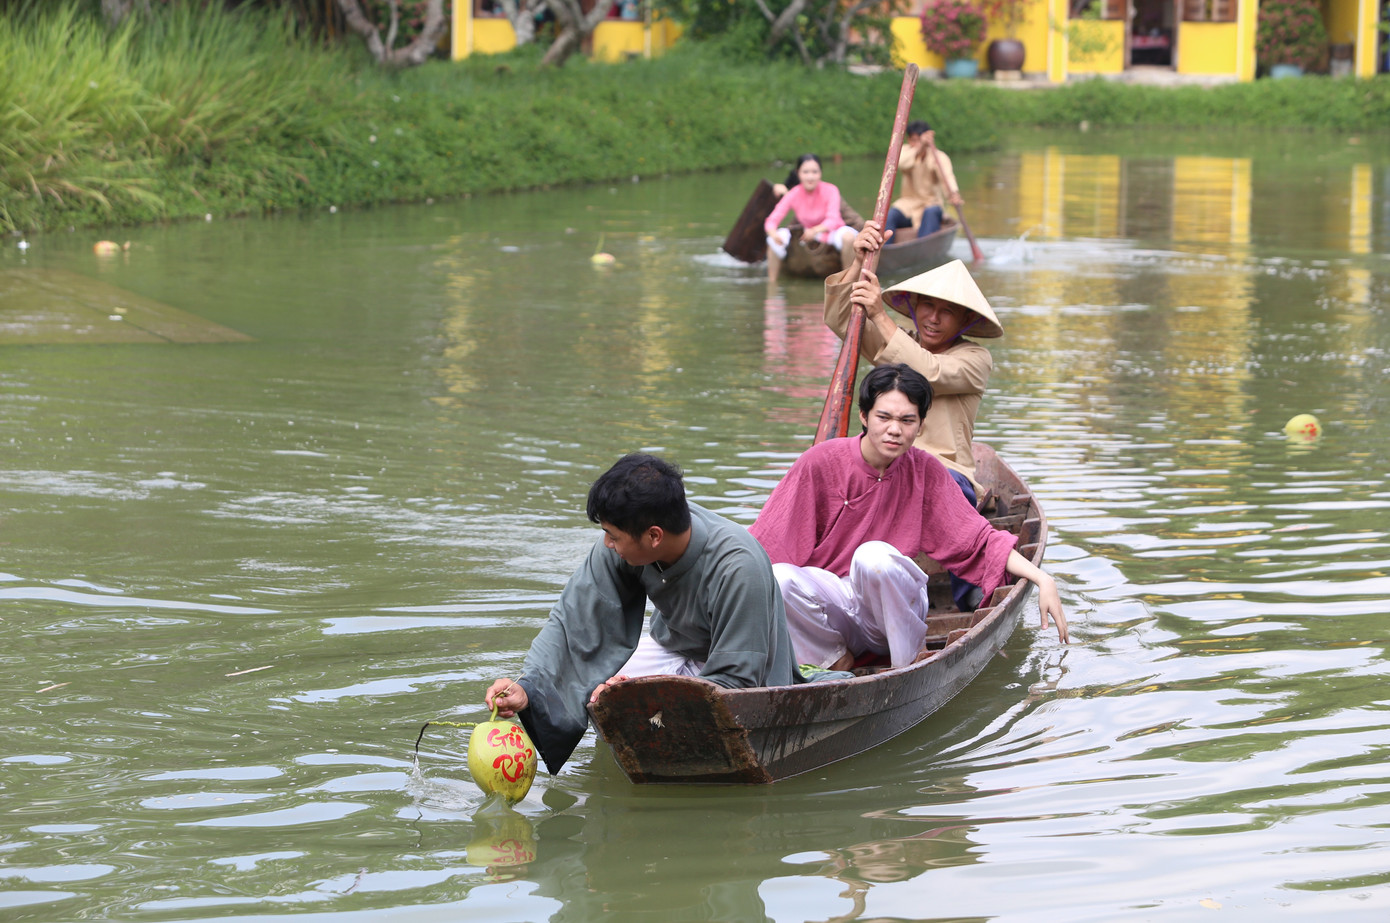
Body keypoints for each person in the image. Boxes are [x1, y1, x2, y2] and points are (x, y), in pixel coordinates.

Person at [485, 453, 798, 774]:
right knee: (600, 695)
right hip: (673, 645)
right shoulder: (629, 535)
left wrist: (642, 697)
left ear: (654, 536)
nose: (607, 543)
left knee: (625, 702)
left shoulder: (739, 566)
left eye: (613, 536)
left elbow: (738, 680)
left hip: (739, 668)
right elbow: (573, 623)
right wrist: (529, 687)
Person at [749, 364, 1067, 673]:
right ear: (864, 416)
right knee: (779, 578)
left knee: (873, 557)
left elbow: (978, 540)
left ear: (921, 425)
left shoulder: (925, 471)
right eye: (884, 417)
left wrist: (1043, 579)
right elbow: (766, 545)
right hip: (834, 614)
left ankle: (907, 666)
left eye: (907, 420)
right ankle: (833, 660)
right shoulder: (819, 463)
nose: (894, 430)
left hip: (892, 616)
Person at [825, 226, 1002, 609]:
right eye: (927, 307)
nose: (933, 319)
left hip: (946, 470)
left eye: (947, 312)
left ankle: (971, 589)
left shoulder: (974, 359)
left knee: (949, 489)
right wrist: (857, 262)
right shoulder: (898, 340)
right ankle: (833, 585)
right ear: (913, 305)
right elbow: (843, 322)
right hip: (885, 464)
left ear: (965, 321)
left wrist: (880, 314)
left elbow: (928, 371)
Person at [764, 153, 858, 264]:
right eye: (805, 172)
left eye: (814, 172)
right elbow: (772, 220)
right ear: (798, 173)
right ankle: (773, 276)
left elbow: (833, 219)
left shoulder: (831, 190)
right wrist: (773, 234)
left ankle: (849, 274)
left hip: (831, 232)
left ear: (820, 173)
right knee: (773, 240)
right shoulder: (793, 193)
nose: (810, 177)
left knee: (848, 237)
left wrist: (815, 230)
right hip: (806, 233)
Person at [884, 120, 961, 240]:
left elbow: (947, 177)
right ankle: (883, 248)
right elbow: (902, 164)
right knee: (890, 215)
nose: (916, 144)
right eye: (913, 140)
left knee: (930, 213)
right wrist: (920, 147)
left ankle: (922, 247)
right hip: (908, 205)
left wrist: (953, 194)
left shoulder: (939, 156)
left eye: (919, 140)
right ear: (909, 140)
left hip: (930, 204)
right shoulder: (904, 151)